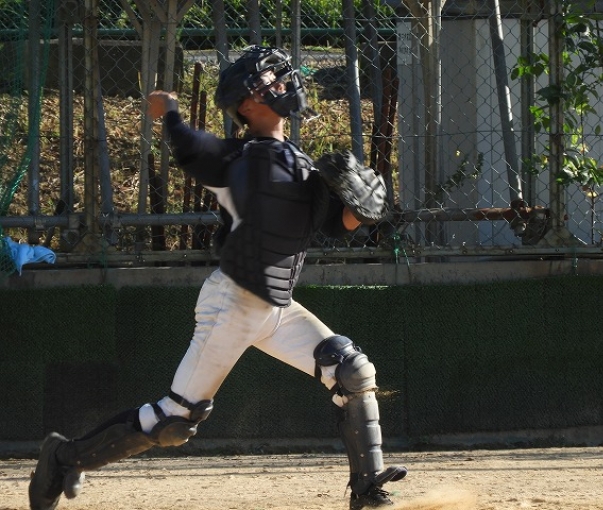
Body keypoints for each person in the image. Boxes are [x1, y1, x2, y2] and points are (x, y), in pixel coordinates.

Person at [28, 45, 406, 510]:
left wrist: (362, 211)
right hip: (234, 302)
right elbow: (190, 147)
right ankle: (62, 459)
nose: (282, 85)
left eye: (281, 78)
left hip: (275, 306)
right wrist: (169, 112)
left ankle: (368, 491)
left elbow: (334, 225)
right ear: (246, 104)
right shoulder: (237, 159)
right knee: (174, 421)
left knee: (350, 371)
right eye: (268, 82)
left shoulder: (302, 164)